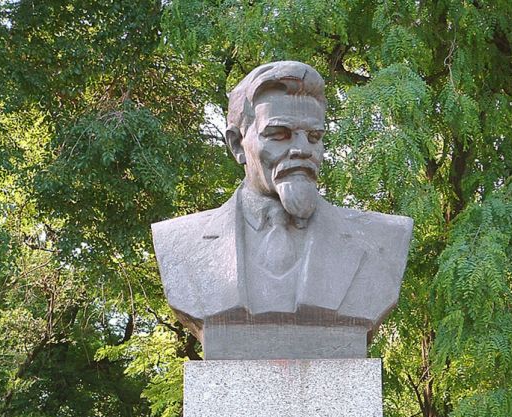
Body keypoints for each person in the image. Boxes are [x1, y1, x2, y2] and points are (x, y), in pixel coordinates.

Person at [151, 61, 413, 358]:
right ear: (237, 145)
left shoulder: (384, 239)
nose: (302, 149)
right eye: (279, 134)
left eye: (314, 136)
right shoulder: (180, 243)